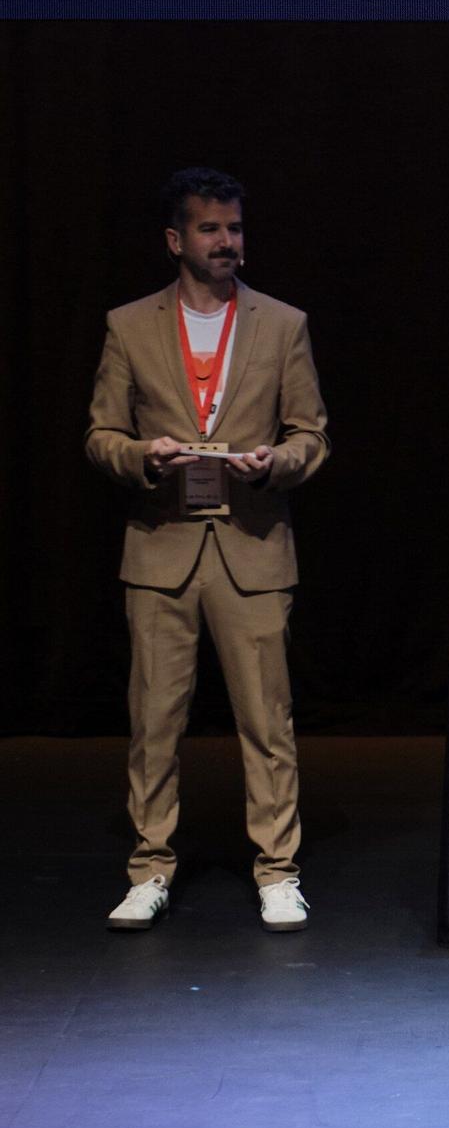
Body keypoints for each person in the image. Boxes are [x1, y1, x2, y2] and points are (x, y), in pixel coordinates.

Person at [86, 167, 330, 933]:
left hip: (252, 547)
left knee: (268, 723)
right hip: (161, 548)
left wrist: (276, 461)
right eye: (210, 228)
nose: (227, 241)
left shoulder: (281, 324)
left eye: (235, 228)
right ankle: (150, 868)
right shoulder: (129, 325)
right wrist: (142, 456)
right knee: (154, 723)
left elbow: (312, 435)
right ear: (175, 239)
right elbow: (100, 435)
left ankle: (278, 872)